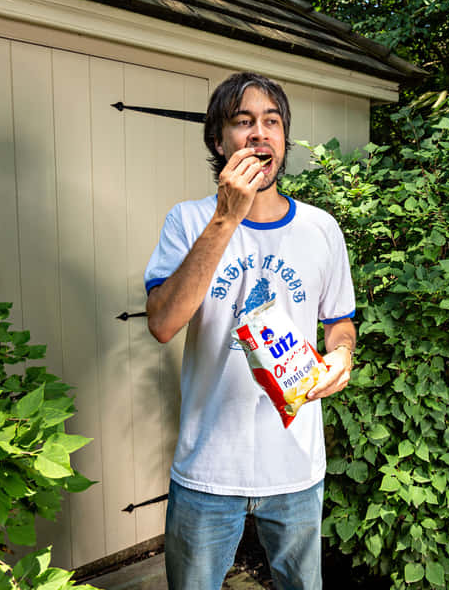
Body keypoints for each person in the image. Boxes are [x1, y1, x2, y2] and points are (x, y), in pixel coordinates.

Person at [144, 72, 357, 590]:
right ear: (219, 142)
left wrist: (342, 356)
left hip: (298, 468)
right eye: (243, 122)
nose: (260, 133)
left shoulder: (321, 228)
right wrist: (225, 217)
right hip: (208, 469)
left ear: (284, 139)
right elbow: (163, 323)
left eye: (272, 122)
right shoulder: (188, 221)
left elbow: (339, 323)